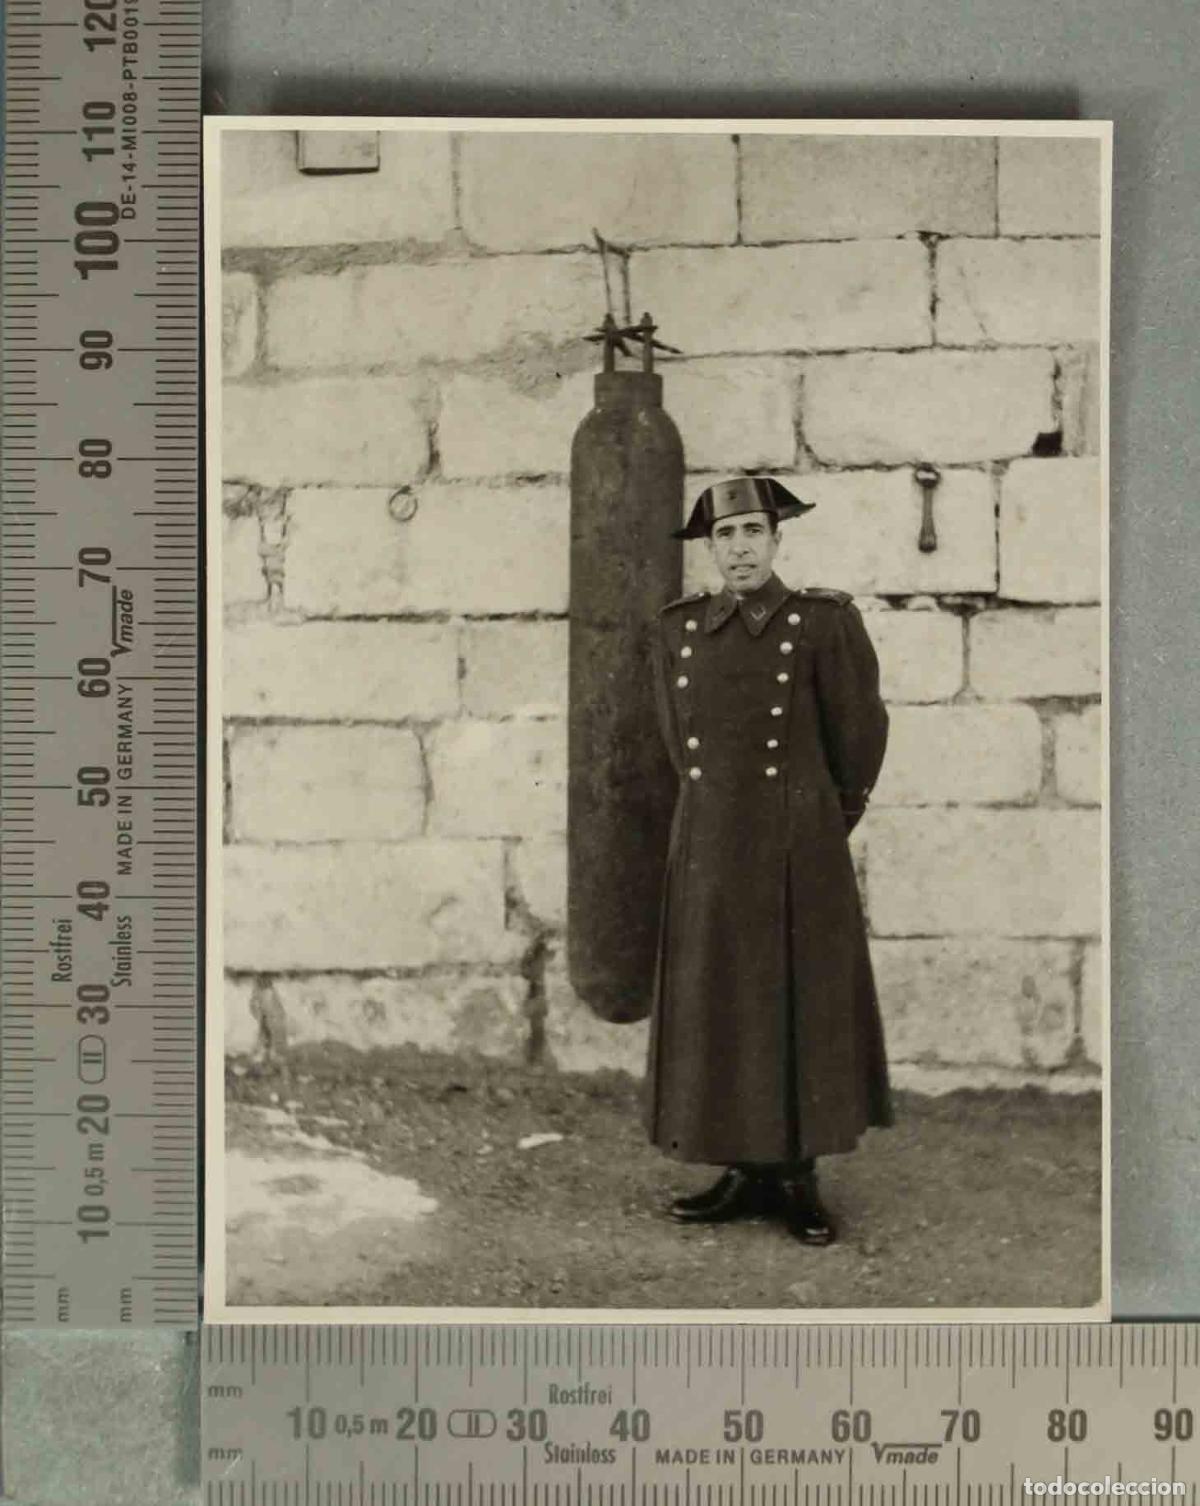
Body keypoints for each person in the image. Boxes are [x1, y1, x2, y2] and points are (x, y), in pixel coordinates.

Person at [643, 475, 893, 1246]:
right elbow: (673, 739)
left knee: (800, 1000)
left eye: (753, 531)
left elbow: (861, 735)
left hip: (798, 843)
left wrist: (821, 821)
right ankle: (744, 1169)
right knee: (719, 1001)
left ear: (777, 539)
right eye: (726, 536)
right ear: (710, 550)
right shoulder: (678, 631)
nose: (741, 547)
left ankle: (797, 1180)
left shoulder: (822, 622)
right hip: (712, 844)